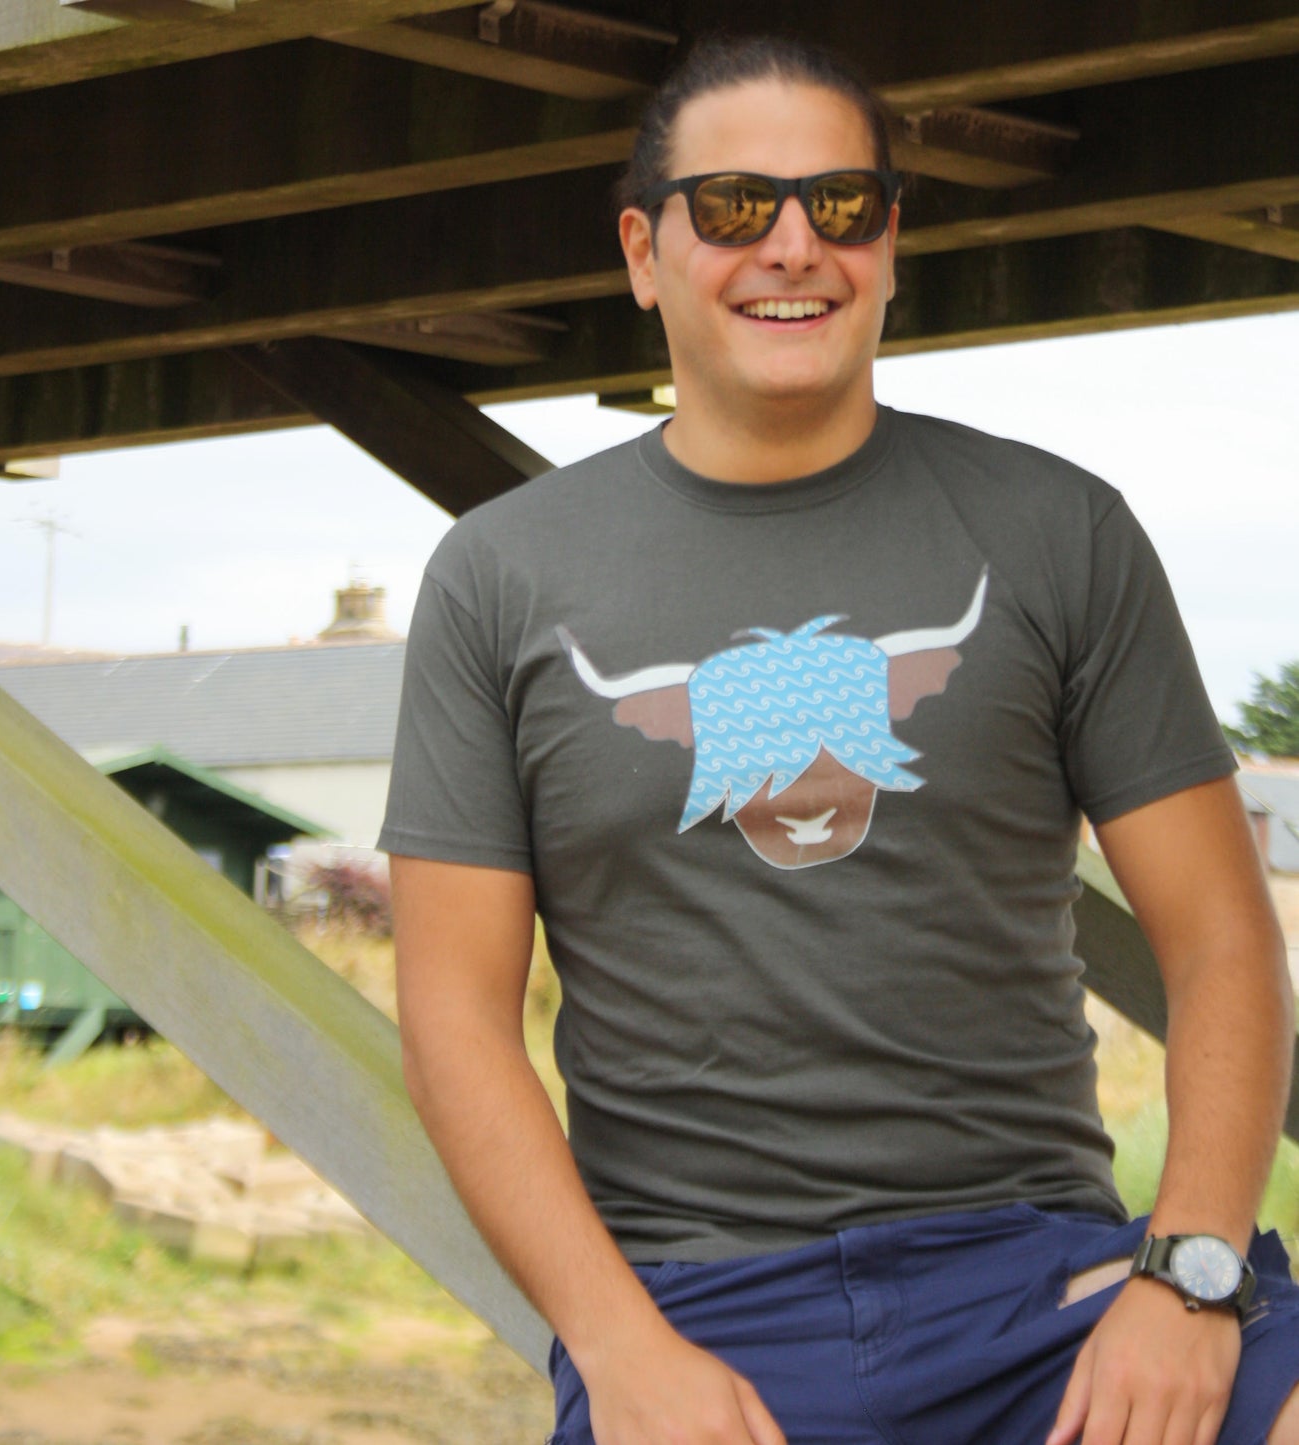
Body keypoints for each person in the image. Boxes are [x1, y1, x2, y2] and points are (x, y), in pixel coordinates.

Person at [378, 32, 1299, 1445]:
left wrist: (1185, 1275)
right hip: (701, 1310)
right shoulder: (500, 578)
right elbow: (451, 1016)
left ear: (890, 243)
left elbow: (1223, 943)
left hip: (1042, 1281)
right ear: (642, 251)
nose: (793, 246)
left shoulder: (1060, 532)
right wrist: (617, 1347)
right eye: (736, 207)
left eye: (844, 206)